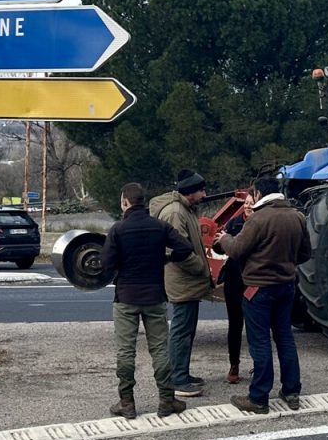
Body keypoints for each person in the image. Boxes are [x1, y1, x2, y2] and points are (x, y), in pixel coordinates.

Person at [217, 176, 312, 414]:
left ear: (258, 194)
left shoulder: (258, 219)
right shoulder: (298, 217)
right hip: (286, 286)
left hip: (258, 288)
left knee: (260, 342)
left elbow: (237, 251)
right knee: (285, 339)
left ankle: (259, 397)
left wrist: (224, 239)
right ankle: (292, 391)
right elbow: (305, 253)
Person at [101, 183, 196, 419]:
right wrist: (167, 258)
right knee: (160, 351)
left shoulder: (117, 229)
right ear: (143, 202)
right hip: (155, 296)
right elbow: (185, 248)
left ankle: (127, 403)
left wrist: (120, 265)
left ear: (125, 202)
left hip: (125, 297)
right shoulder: (160, 226)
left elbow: (106, 264)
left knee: (125, 352)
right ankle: (166, 400)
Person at [149, 169, 212, 398]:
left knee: (186, 330)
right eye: (202, 190)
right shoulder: (176, 213)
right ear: (191, 191)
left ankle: (182, 372)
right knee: (181, 331)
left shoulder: (185, 209)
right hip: (183, 280)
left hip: (187, 281)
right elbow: (177, 249)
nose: (205, 194)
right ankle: (177, 378)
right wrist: (200, 267)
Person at [213, 193, 253, 384]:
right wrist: (219, 242)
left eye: (251, 204)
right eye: (246, 203)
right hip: (234, 277)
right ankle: (234, 365)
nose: (247, 206)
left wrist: (228, 241)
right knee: (235, 323)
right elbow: (220, 249)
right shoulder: (234, 222)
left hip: (254, 278)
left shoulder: (261, 223)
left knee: (256, 324)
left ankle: (258, 363)